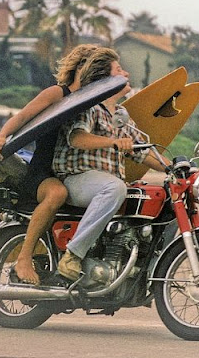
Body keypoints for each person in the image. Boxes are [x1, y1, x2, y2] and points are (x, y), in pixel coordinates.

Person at [0, 44, 99, 285]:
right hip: (44, 173)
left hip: (76, 173)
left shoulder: (94, 104)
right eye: (97, 67)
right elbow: (23, 116)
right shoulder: (58, 93)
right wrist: (1, 138)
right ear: (81, 68)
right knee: (57, 193)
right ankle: (24, 258)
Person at [52, 48, 169, 281]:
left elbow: (143, 152)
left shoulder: (121, 115)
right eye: (119, 70)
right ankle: (72, 256)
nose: (126, 74)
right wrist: (113, 142)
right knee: (115, 188)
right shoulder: (89, 106)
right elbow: (77, 138)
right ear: (105, 79)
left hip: (102, 183)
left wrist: (174, 168)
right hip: (76, 179)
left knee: (152, 197)